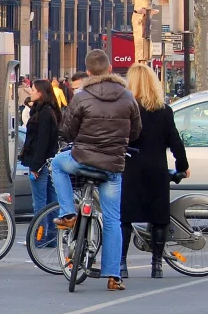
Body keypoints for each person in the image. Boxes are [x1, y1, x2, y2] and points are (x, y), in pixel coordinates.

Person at [51, 49, 141, 291]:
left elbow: (68, 131)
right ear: (110, 69)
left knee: (57, 164)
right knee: (113, 219)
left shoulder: (82, 96)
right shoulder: (127, 97)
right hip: (112, 165)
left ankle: (68, 212)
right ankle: (113, 275)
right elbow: (135, 132)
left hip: (82, 159)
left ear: (88, 72)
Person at [120, 64, 189, 279]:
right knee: (159, 218)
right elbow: (175, 142)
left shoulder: (127, 109)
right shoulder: (164, 111)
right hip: (157, 169)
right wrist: (182, 166)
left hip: (131, 168)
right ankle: (157, 264)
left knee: (125, 218)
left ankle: (121, 263)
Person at [20, 79, 62, 219]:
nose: (30, 92)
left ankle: (39, 238)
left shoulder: (44, 113)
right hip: (48, 161)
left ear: (40, 92)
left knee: (40, 204)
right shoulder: (48, 110)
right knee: (51, 201)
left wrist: (35, 165)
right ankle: (51, 238)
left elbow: (42, 141)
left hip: (40, 162)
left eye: (33, 89)